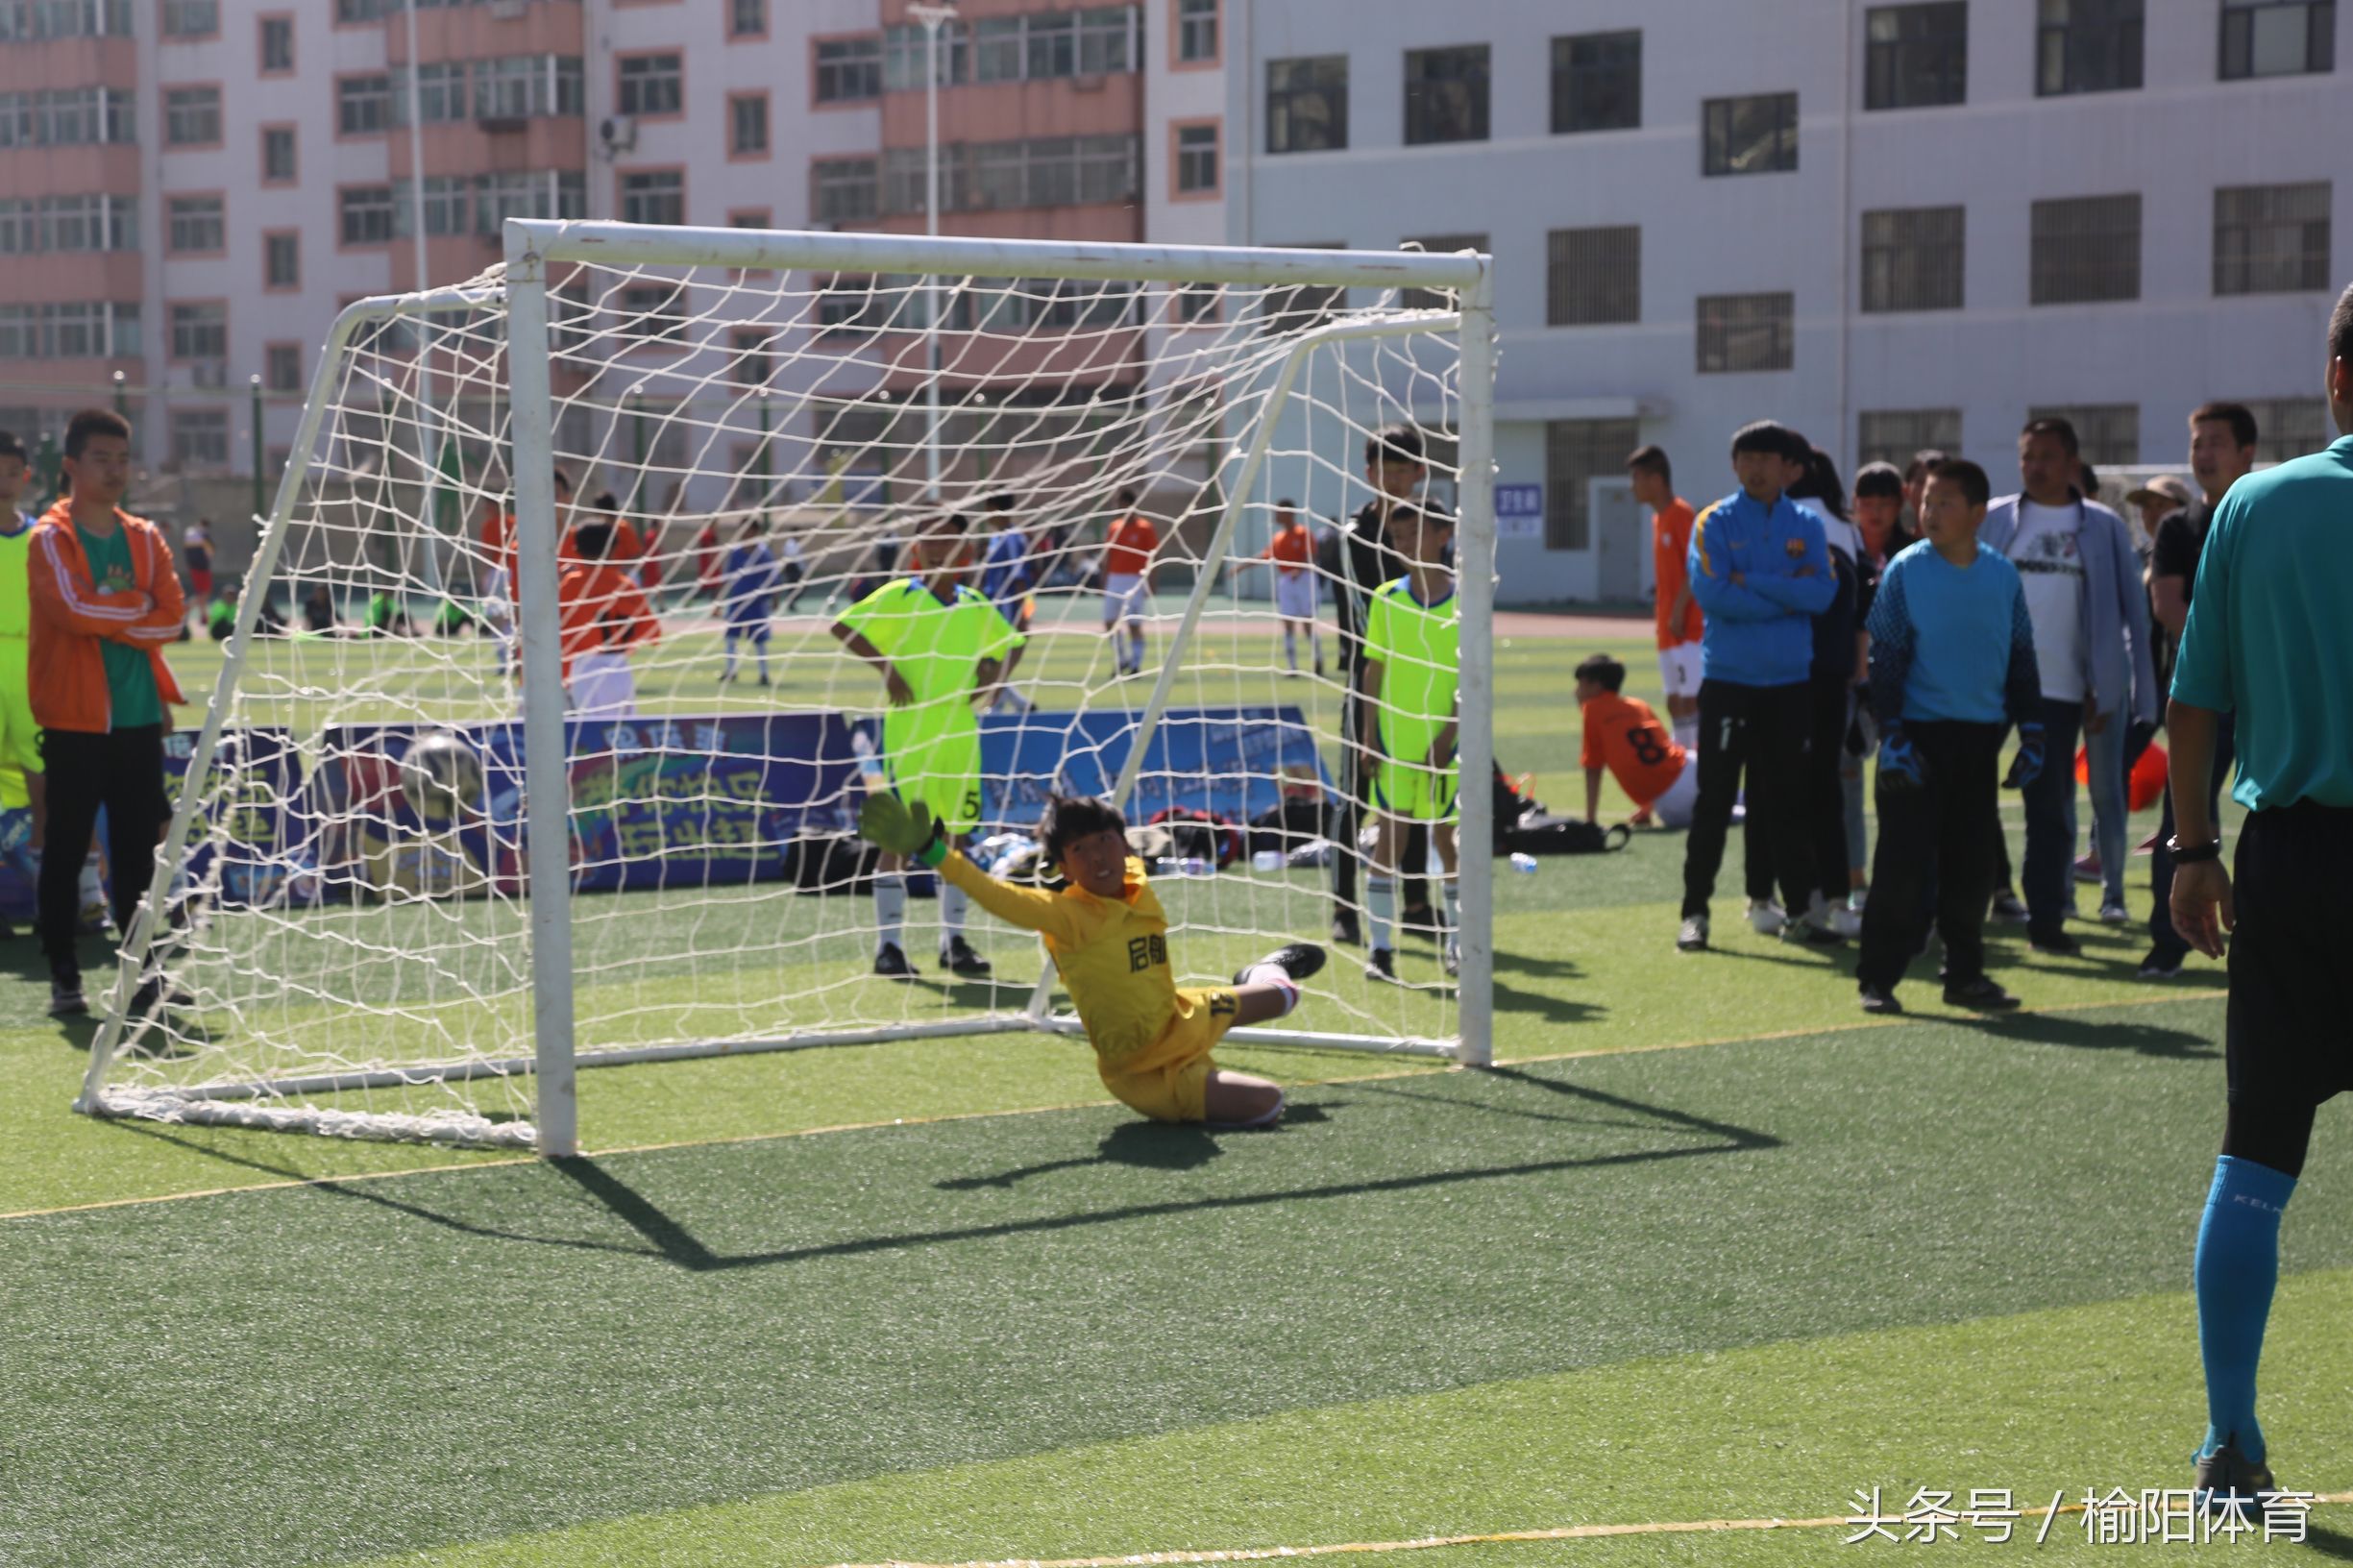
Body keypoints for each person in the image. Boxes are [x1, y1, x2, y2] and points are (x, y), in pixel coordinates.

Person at [2163, 283, 2353, 1513]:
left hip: (2295, 864)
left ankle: (2230, 1447)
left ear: (2335, 377)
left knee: (2255, 1163)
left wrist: (2190, 850)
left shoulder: (2259, 503)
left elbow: (2195, 702)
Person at [858, 789, 1314, 1127]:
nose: (1098, 857)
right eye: (1080, 850)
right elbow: (993, 894)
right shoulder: (1069, 916)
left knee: (1284, 995)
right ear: (1062, 867)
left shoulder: (1135, 877)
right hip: (1148, 1070)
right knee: (1269, 1104)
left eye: (1104, 841)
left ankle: (1259, 973)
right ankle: (1212, 1076)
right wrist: (934, 851)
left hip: (1183, 1014)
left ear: (1125, 844)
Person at [1853, 458, 2042, 1014]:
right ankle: (1877, 980)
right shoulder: (1906, 570)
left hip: (1980, 741)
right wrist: (1892, 735)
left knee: (1971, 869)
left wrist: (2033, 732)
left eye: (1944, 503)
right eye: (1926, 501)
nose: (1929, 512)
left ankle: (1964, 976)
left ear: (1978, 513)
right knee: (1900, 867)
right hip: (1915, 741)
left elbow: (2022, 659)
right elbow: (1883, 660)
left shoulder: (2002, 575)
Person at [28, 408, 185, 1017]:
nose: (116, 471)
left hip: (140, 719)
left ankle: (142, 976)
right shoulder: (50, 538)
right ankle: (65, 974)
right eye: (102, 459)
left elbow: (172, 616)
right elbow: (71, 611)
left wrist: (114, 612)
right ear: (71, 465)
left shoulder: (145, 537)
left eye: (123, 459)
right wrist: (134, 609)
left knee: (139, 852)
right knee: (67, 849)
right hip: (73, 720)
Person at [1980, 417, 2158, 949]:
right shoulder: (1992, 520)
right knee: (1959, 797)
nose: (2036, 466)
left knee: (2050, 812)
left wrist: (2125, 690)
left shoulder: (2102, 526)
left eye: (2047, 456)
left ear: (2071, 464)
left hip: (2059, 692)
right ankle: (1961, 909)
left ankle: (2048, 921)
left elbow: (2133, 615)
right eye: (2027, 456)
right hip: (1986, 690)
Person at [831, 512, 1020, 980]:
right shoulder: (901, 595)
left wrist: (995, 674)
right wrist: (887, 668)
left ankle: (952, 943)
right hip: (909, 733)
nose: (939, 550)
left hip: (959, 733)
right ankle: (888, 949)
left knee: (955, 839)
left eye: (949, 542)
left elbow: (1014, 641)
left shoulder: (974, 604)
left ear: (967, 553)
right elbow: (843, 626)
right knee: (899, 836)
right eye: (930, 541)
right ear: (916, 551)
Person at [1676, 421, 1839, 953]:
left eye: (1767, 458)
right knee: (1715, 802)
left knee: (1790, 801)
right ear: (1734, 465)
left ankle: (1799, 913)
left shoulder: (1807, 524)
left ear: (1786, 467)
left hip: (1789, 686)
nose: (1757, 467)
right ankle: (1695, 913)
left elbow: (1821, 595)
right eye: (1747, 457)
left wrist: (1756, 582)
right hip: (1729, 683)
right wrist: (1784, 594)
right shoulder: (1714, 522)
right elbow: (1715, 595)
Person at [2140, 404, 2259, 980]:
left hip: (2265, 698)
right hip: (2203, 699)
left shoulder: (2266, 515)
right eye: (2196, 443)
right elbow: (2167, 605)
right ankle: (2169, 941)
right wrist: (2230, 659)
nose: (2203, 453)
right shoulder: (2179, 526)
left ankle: (2268, 932)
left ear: (2247, 454)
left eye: (2216, 442)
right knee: (2183, 818)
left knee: (2281, 812)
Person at [1329, 425, 1434, 947]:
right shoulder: (1353, 535)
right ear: (1368, 473)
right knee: (1356, 792)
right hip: (1368, 676)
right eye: (1383, 469)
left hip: (1420, 678)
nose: (1393, 478)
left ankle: (1416, 902)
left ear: (1419, 471)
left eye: (1402, 468)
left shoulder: (1432, 526)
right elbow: (1376, 608)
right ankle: (1344, 907)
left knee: (1415, 788)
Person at [1358, 503, 1460, 984]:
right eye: (1396, 536)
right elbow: (1372, 671)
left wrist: (1448, 736)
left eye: (1413, 532)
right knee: (1388, 843)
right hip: (1396, 746)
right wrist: (1369, 737)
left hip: (1449, 749)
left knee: (1448, 843)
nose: (1402, 543)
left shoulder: (1466, 602)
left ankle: (1459, 945)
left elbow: (1472, 679)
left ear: (1443, 534)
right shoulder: (1386, 599)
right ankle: (1380, 950)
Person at [1784, 446, 1866, 940]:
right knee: (1829, 788)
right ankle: (1838, 896)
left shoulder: (1786, 518)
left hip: (1787, 671)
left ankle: (1798, 898)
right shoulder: (1844, 523)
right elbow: (1858, 605)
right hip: (1834, 671)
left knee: (1786, 789)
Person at [1843, 461, 1914, 906]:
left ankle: (1902, 881)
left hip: (1901, 685)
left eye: (1884, 505)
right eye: (1866, 504)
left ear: (1900, 504)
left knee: (1899, 785)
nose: (1874, 514)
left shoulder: (1912, 552)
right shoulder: (1843, 550)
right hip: (1851, 686)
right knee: (1847, 777)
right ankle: (1854, 880)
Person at [1629, 445, 1703, 750]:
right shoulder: (1658, 519)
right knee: (1674, 700)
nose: (1633, 487)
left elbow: (1696, 566)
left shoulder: (1681, 514)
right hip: (1668, 630)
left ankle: (1700, 768)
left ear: (1656, 480)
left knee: (1690, 699)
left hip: (1688, 628)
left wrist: (1678, 611)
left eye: (1637, 478)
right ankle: (1684, 762)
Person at [1576, 653, 1698, 829]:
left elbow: (1593, 768)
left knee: (1722, 813)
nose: (1576, 691)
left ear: (1596, 686)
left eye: (1581, 684)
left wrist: (1590, 820)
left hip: (1672, 804)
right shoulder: (1638, 704)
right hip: (1692, 769)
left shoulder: (1592, 710)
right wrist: (1647, 808)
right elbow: (1660, 752)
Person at [556, 518, 659, 720]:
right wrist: (627, 643)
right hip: (619, 668)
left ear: (576, 551)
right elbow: (652, 631)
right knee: (624, 736)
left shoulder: (572, 585)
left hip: (585, 669)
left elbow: (558, 632)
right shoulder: (625, 585)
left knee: (590, 738)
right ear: (614, 550)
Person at [977, 493, 1037, 713]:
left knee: (999, 656)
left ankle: (1000, 702)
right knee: (991, 657)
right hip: (993, 605)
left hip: (1008, 605)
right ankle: (1015, 702)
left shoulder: (1013, 538)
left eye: (988, 508)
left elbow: (1019, 576)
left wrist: (1022, 614)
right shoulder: (995, 538)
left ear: (995, 508)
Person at [1251, 500, 1323, 677]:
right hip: (1287, 582)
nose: (1276, 515)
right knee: (1288, 623)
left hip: (1305, 580)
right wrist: (1239, 567)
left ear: (1289, 513)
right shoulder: (1278, 538)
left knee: (1307, 624)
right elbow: (1265, 555)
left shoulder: (1303, 533)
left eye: (1279, 512)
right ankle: (1292, 666)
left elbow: (1311, 557)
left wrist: (1299, 570)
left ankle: (1318, 658)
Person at [1100, 488, 1158, 676]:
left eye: (1120, 503)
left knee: (1134, 624)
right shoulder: (1114, 527)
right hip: (1114, 579)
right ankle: (1121, 658)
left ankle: (1136, 663)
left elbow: (1154, 556)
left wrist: (1151, 580)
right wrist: (1104, 579)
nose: (1118, 507)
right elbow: (1108, 555)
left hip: (1135, 580)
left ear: (1129, 503)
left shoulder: (1145, 528)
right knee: (1110, 622)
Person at [718, 519, 779, 686]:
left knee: (759, 640)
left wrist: (775, 598)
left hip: (757, 604)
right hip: (737, 602)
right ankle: (731, 672)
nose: (745, 533)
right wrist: (719, 599)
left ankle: (764, 674)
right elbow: (728, 578)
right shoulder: (736, 553)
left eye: (748, 530)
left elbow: (772, 578)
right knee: (731, 637)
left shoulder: (763, 554)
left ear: (755, 532)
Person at [182, 518, 214, 623]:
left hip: (198, 568)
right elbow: (210, 550)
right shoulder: (199, 533)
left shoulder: (193, 533)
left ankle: (203, 616)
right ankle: (187, 608)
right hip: (200, 568)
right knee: (203, 593)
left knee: (203, 593)